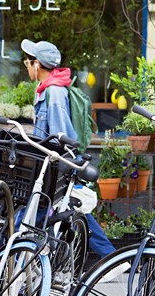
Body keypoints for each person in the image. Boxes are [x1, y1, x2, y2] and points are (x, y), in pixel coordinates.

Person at [20, 39, 116, 261]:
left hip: (60, 163)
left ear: (37, 65)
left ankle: (110, 259)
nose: (26, 65)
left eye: (28, 61)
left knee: (55, 211)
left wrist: (64, 167)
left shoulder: (54, 92)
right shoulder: (45, 89)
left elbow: (61, 135)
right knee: (62, 212)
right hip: (53, 163)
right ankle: (110, 259)